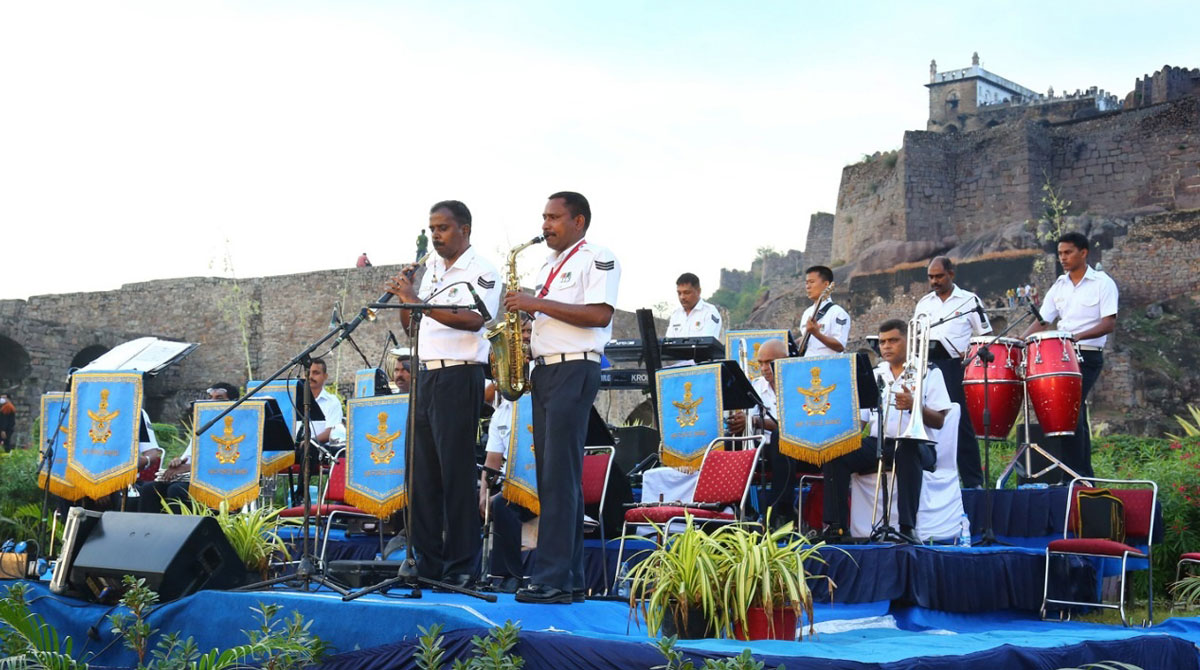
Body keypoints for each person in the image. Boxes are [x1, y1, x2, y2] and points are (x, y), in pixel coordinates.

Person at [503, 191, 620, 604]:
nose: (545, 225)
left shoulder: (597, 257)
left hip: (575, 368)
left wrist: (536, 304)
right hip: (546, 370)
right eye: (543, 217)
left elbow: (600, 314)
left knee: (560, 474)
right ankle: (566, 577)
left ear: (579, 221)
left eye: (554, 218)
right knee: (552, 476)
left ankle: (551, 576)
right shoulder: (549, 264)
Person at [386, 199, 501, 588]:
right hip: (425, 375)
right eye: (432, 228)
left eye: (443, 228)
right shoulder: (432, 268)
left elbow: (474, 319)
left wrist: (418, 302)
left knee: (454, 475)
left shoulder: (482, 269)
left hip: (459, 376)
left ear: (464, 229)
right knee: (421, 477)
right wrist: (408, 295)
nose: (436, 235)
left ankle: (463, 567)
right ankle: (426, 563)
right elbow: (411, 327)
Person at [821, 319, 950, 541]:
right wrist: (838, 439)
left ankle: (907, 527)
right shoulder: (874, 373)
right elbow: (859, 422)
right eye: (882, 342)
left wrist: (914, 405)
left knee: (907, 449)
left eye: (893, 340)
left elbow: (939, 421)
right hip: (878, 441)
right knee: (836, 452)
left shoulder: (929, 371)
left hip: (919, 445)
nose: (886, 346)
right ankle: (837, 528)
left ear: (908, 342)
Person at [1024, 231, 1118, 480]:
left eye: (1068, 252)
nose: (1063, 258)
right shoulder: (1059, 285)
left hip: (1087, 355)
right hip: (1059, 356)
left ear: (1083, 252)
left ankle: (1075, 476)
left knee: (1068, 410)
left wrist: (1075, 337)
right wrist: (1021, 341)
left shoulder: (1102, 283)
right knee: (1070, 413)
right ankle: (1080, 476)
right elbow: (1043, 321)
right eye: (1060, 253)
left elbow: (1109, 323)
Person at [913, 256, 991, 488]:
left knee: (960, 422)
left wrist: (970, 357)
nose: (934, 281)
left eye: (939, 276)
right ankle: (931, 478)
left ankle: (973, 482)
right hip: (928, 367)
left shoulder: (969, 300)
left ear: (951, 274)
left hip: (957, 368)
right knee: (926, 421)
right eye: (931, 277)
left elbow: (985, 337)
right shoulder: (924, 303)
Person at [137, 383, 239, 512]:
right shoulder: (204, 427)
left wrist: (191, 468)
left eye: (219, 398)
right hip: (194, 479)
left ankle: (180, 531)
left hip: (220, 481)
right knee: (149, 489)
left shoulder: (239, 429)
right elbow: (188, 459)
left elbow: (230, 464)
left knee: (176, 490)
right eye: (210, 398)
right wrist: (177, 463)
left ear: (234, 403)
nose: (212, 402)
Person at [726, 339, 796, 525]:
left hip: (791, 447)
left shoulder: (797, 386)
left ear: (784, 360)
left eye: (769, 362)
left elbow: (793, 424)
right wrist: (740, 422)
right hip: (762, 446)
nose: (765, 368)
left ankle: (778, 512)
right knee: (730, 440)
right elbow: (749, 419)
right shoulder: (756, 387)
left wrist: (755, 421)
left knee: (780, 438)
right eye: (761, 363)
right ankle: (735, 506)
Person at [797, 266, 849, 357]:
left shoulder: (838, 313)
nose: (808, 287)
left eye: (812, 282)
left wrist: (817, 333)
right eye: (806, 283)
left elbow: (840, 346)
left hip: (828, 365)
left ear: (826, 284)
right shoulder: (807, 313)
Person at [666, 273, 722, 338]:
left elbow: (706, 343)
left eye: (686, 293)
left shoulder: (709, 312)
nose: (682, 297)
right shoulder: (676, 314)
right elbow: (668, 342)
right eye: (679, 293)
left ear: (698, 291)